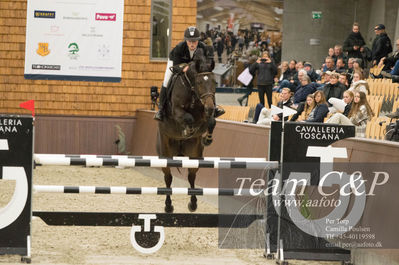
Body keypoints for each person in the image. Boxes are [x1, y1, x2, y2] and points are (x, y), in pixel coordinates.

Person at [154, 26, 224, 121]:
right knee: (166, 81)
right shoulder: (179, 48)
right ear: (186, 40)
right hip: (176, 63)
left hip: (194, 66)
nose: (192, 44)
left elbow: (205, 64)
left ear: (198, 41)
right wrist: (184, 68)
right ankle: (161, 109)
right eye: (189, 41)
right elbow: (175, 67)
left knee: (206, 82)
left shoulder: (203, 47)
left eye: (194, 41)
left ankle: (214, 108)